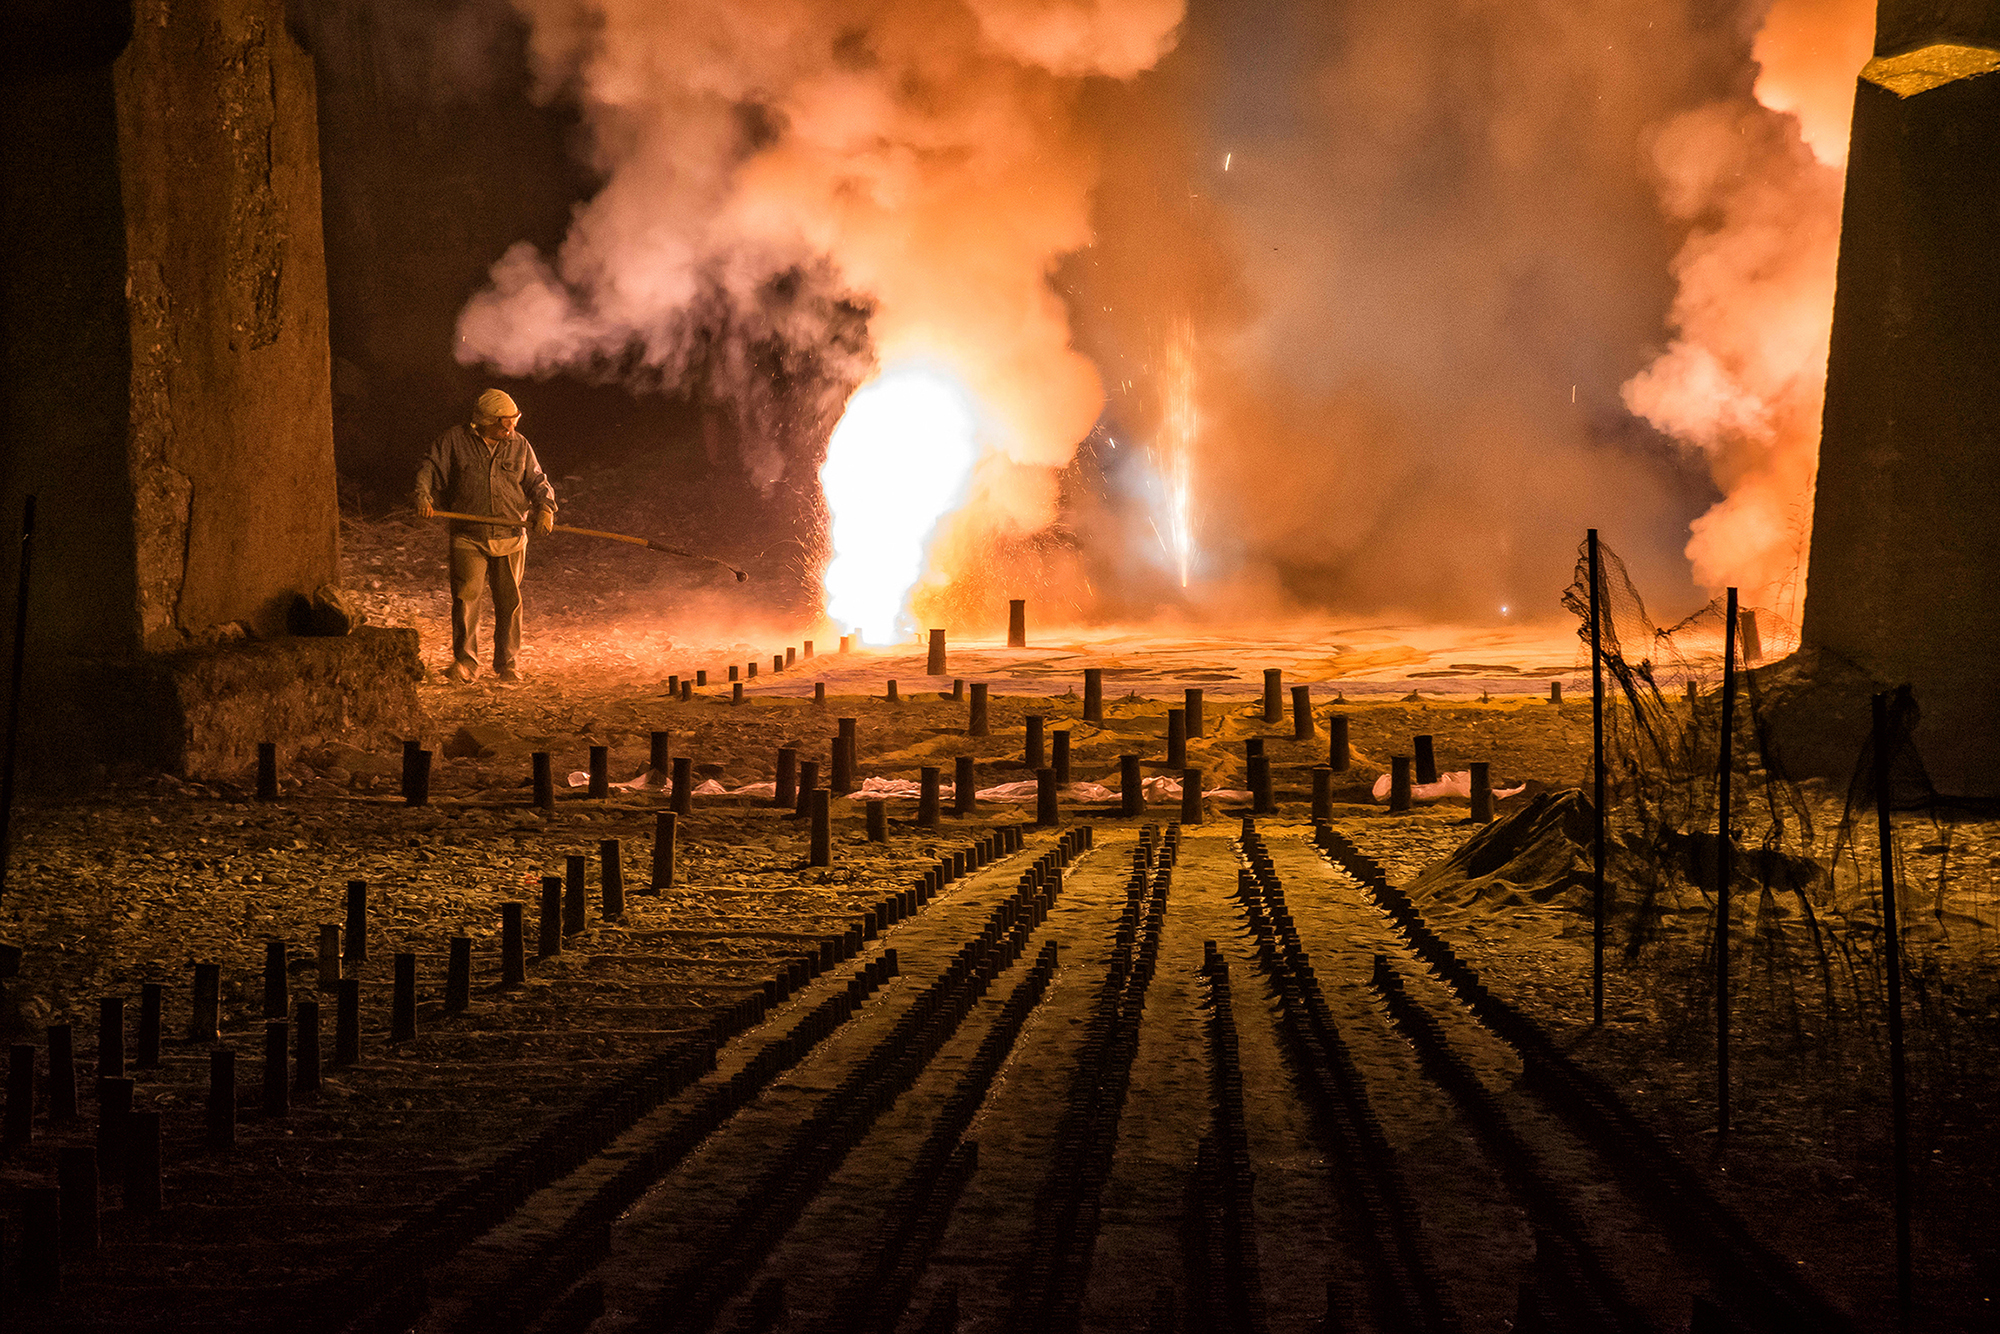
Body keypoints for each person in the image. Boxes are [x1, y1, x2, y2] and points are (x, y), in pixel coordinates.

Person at [414, 389, 557, 682]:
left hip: (511, 535)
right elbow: (429, 468)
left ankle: (509, 664)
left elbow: (537, 480)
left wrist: (545, 508)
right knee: (466, 599)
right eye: (505, 423)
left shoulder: (520, 445)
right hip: (469, 537)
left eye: (513, 422)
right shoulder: (454, 442)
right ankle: (466, 663)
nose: (511, 429)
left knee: (509, 601)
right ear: (484, 420)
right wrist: (422, 496)